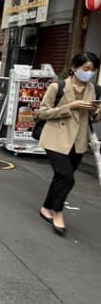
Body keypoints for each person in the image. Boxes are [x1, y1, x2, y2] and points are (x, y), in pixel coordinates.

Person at [37, 51, 101, 236]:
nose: (89, 73)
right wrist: (70, 107)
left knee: (61, 177)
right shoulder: (58, 87)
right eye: (86, 68)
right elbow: (42, 113)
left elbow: (95, 119)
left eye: (93, 70)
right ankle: (58, 213)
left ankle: (46, 207)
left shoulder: (95, 90)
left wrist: (94, 111)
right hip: (56, 137)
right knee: (67, 177)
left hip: (78, 141)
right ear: (74, 68)